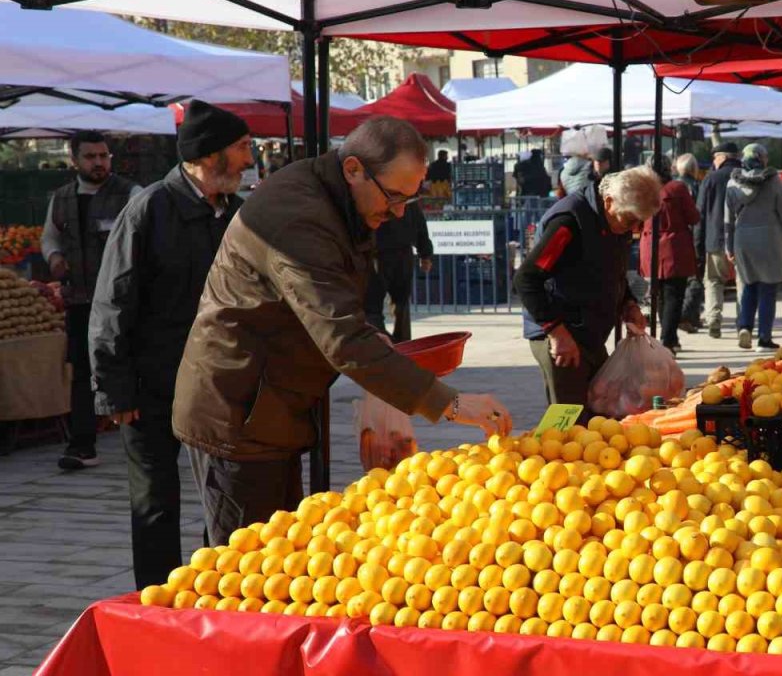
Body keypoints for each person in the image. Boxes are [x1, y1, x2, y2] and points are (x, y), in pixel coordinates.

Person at [171, 116, 511, 547]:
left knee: (281, 552)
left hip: (274, 407)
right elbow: (341, 337)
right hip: (237, 411)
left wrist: (375, 338)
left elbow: (341, 304)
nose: (398, 212)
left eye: (411, 199)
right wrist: (452, 403)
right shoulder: (298, 218)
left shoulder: (341, 202)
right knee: (247, 561)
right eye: (393, 197)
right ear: (353, 169)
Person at [88, 101, 251, 589]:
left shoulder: (237, 216)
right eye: (242, 148)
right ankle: (156, 603)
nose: (249, 158)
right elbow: (112, 304)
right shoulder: (149, 209)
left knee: (222, 501)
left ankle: (216, 595)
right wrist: (115, 391)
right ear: (211, 154)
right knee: (155, 504)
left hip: (215, 388)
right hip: (148, 387)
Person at [517, 166, 660, 413]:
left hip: (589, 334)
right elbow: (527, 279)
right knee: (569, 421)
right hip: (562, 335)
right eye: (629, 220)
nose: (633, 229)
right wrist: (557, 332)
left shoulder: (616, 223)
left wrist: (628, 303)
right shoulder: (569, 222)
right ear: (608, 201)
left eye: (639, 223)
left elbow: (612, 272)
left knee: (601, 411)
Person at [41, 131, 142, 470]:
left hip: (123, 305)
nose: (99, 162)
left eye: (103, 156)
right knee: (83, 372)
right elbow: (50, 237)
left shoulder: (131, 194)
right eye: (90, 157)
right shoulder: (62, 197)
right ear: (75, 160)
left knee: (130, 367)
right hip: (80, 301)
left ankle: (142, 442)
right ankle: (82, 445)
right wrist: (54, 257)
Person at [725, 144, 782, 352]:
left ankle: (745, 326)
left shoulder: (732, 182)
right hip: (769, 237)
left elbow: (727, 218)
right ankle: (764, 338)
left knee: (749, 284)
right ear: (762, 158)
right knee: (768, 288)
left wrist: (729, 246)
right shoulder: (773, 180)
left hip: (742, 238)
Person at [638, 157, 700, 354]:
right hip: (674, 246)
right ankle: (667, 339)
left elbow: (636, 221)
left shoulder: (643, 191)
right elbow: (693, 216)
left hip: (650, 245)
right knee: (674, 294)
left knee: (660, 294)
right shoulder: (678, 188)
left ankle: (669, 337)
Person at [365, 202, 433, 343]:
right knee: (400, 303)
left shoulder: (374, 190)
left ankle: (383, 344)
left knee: (372, 307)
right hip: (400, 251)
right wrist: (425, 253)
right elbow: (419, 223)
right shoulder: (406, 193)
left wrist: (425, 253)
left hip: (378, 253)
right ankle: (402, 343)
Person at [694, 142, 741, 339]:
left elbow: (700, 214)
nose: (713, 161)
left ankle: (714, 319)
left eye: (715, 158)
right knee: (743, 281)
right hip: (741, 240)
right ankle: (743, 323)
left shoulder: (711, 179)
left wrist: (698, 244)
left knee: (713, 280)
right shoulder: (744, 176)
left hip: (715, 239)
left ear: (721, 157)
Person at [673, 155, 705, 334]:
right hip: (692, 236)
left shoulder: (672, 186)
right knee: (694, 279)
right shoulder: (695, 186)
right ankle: (687, 316)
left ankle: (687, 316)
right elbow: (697, 215)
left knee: (680, 281)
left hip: (676, 238)